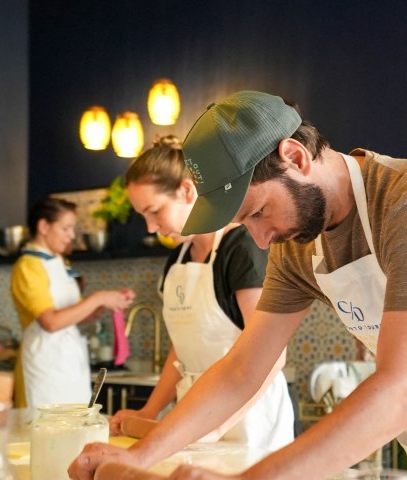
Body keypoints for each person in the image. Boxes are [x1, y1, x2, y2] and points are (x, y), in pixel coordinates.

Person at [69, 91, 407, 480]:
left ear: (295, 156)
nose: (259, 241)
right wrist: (143, 455)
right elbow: (242, 369)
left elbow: (404, 387)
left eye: (258, 212)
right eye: (245, 225)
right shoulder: (296, 244)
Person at [107, 135, 295, 450]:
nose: (150, 227)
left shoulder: (240, 248)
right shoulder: (177, 260)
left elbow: (272, 354)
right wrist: (149, 411)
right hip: (195, 417)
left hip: (249, 422)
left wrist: (219, 426)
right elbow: (182, 350)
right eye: (144, 217)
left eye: (154, 211)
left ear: (186, 190)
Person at [11, 197, 135, 414]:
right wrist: (97, 298)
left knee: (76, 430)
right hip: (43, 368)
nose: (72, 235)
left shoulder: (59, 263)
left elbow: (77, 316)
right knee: (44, 433)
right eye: (66, 228)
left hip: (70, 367)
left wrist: (108, 303)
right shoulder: (28, 266)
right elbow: (50, 322)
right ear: (43, 226)